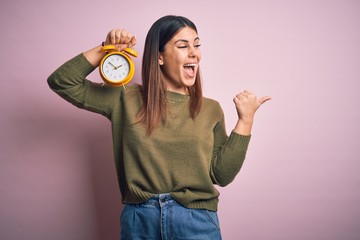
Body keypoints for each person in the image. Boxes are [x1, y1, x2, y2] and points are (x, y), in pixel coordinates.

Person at [48, 15, 271, 240]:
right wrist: (107, 48)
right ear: (160, 57)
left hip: (197, 222)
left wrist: (246, 120)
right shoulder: (125, 97)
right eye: (183, 46)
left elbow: (221, 175)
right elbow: (62, 81)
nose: (194, 53)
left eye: (196, 44)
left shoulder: (210, 109)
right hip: (140, 222)